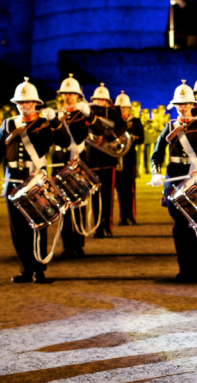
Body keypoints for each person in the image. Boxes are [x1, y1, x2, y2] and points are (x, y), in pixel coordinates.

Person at [0, 78, 71, 283]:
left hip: (35, 180)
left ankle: (39, 268)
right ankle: (26, 269)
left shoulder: (44, 124)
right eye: (20, 103)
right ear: (16, 104)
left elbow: (65, 142)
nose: (24, 106)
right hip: (13, 181)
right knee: (18, 230)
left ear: (36, 103)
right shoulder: (9, 124)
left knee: (38, 226)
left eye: (28, 102)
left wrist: (56, 123)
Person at [150, 80, 197, 282]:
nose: (182, 108)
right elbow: (156, 155)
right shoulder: (170, 127)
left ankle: (195, 269)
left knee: (196, 224)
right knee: (179, 227)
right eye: (179, 105)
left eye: (185, 104)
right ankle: (184, 268)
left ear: (191, 104)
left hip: (194, 178)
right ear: (174, 106)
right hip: (174, 179)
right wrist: (155, 173)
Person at [53, 74, 106, 258]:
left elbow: (101, 131)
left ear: (77, 95)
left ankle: (78, 244)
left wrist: (89, 115)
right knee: (63, 206)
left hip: (78, 161)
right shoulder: (57, 114)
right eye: (65, 94)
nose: (68, 97)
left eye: (71, 94)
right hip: (59, 162)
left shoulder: (83, 113)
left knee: (79, 204)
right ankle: (68, 245)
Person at [87, 83, 127, 238]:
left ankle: (107, 226)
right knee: (95, 197)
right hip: (92, 160)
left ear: (108, 102)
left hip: (108, 159)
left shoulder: (111, 113)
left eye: (102, 100)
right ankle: (98, 226)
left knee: (108, 196)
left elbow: (122, 126)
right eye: (97, 100)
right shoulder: (88, 114)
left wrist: (107, 137)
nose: (99, 103)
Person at [114, 91, 144, 226]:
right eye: (120, 108)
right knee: (119, 189)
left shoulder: (135, 122)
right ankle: (122, 217)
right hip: (115, 158)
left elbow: (141, 139)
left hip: (129, 158)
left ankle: (131, 215)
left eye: (124, 108)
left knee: (130, 189)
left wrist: (131, 138)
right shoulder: (114, 121)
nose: (122, 110)